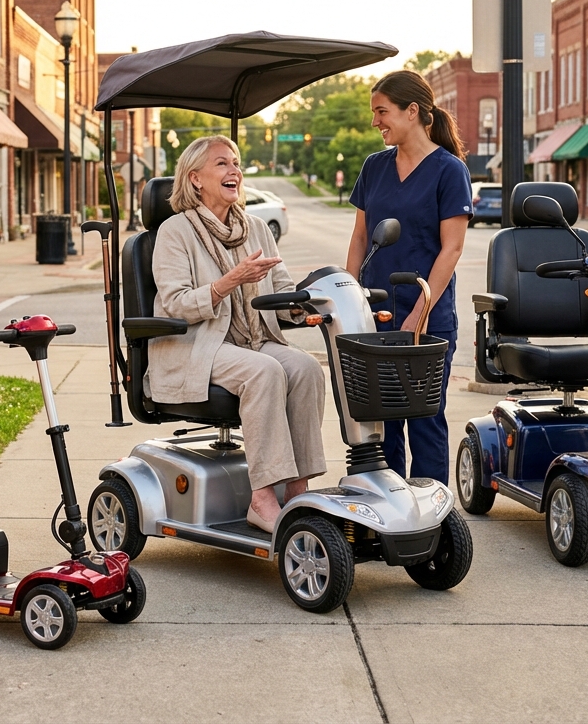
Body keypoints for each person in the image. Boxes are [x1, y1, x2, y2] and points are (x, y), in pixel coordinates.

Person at [149, 135, 326, 532]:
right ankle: (262, 498)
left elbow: (280, 291)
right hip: (196, 346)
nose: (235, 171)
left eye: (237, 163)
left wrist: (301, 307)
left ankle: (298, 492)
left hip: (253, 339)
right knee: (264, 371)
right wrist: (229, 282)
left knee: (306, 368)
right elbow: (175, 303)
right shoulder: (175, 231)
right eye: (223, 164)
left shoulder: (257, 228)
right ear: (195, 179)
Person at [345, 70, 472, 485]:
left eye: (382, 111)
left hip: (428, 318)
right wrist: (348, 297)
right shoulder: (374, 167)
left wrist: (420, 311)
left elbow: (451, 249)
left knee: (425, 419)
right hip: (376, 313)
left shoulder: (449, 171)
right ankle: (389, 515)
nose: (375, 121)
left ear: (412, 111)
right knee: (383, 426)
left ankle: (432, 519)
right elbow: (361, 236)